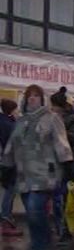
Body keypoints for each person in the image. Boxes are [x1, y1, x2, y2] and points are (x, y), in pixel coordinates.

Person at [0, 85, 74, 250]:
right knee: (32, 213)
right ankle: (39, 247)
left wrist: (67, 165)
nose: (32, 98)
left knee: (35, 209)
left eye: (36, 96)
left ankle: (42, 247)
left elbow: (61, 142)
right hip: (24, 175)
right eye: (29, 96)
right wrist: (6, 167)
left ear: (42, 99)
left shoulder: (51, 118)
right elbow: (12, 145)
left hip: (45, 173)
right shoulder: (21, 121)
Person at [49, 87, 74, 247]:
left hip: (67, 163)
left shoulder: (71, 119)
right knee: (56, 198)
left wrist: (60, 133)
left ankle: (65, 230)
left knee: (64, 197)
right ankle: (59, 229)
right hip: (51, 163)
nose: (52, 108)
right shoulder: (48, 119)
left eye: (54, 105)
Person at [0, 98, 21, 237]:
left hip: (5, 161)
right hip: (10, 162)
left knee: (8, 190)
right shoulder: (9, 124)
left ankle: (7, 220)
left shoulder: (4, 121)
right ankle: (6, 221)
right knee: (10, 191)